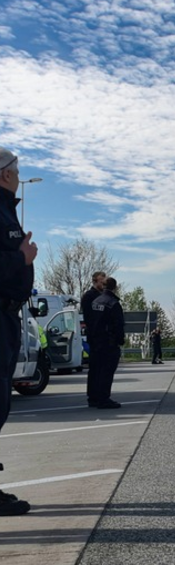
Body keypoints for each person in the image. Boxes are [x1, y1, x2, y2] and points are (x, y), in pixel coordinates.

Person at [0, 147, 37, 516]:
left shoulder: (5, 208)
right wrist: (21, 258)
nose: (19, 175)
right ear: (6, 173)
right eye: (17, 169)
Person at [89, 277, 125, 409]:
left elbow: (90, 321)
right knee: (107, 371)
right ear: (115, 287)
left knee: (96, 371)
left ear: (103, 286)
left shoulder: (95, 301)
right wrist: (120, 340)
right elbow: (118, 324)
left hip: (96, 341)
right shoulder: (113, 303)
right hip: (109, 342)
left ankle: (94, 398)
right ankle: (104, 399)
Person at [81, 271, 106, 406]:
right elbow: (90, 318)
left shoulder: (104, 295)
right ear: (95, 281)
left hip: (103, 337)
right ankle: (93, 397)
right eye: (101, 281)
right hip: (95, 337)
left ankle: (100, 395)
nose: (103, 284)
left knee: (102, 369)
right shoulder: (89, 296)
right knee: (95, 368)